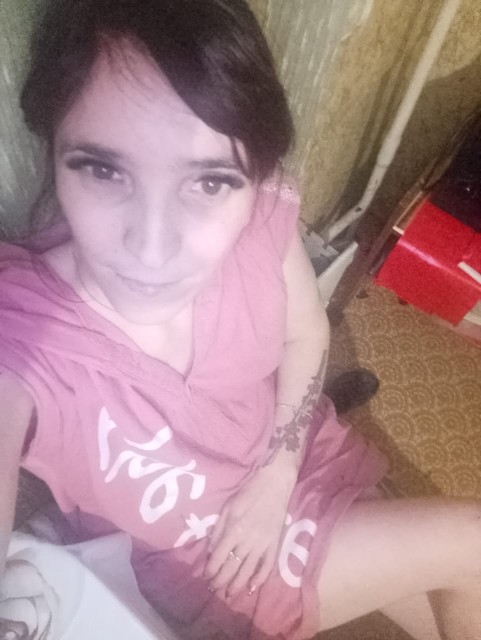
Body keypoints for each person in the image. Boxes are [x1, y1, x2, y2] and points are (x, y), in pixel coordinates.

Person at [1, 1, 481, 639]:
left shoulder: (259, 214)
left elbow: (305, 331)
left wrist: (276, 477)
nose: (152, 249)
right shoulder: (25, 330)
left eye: (209, 182)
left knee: (445, 589)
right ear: (54, 150)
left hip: (296, 459)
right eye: (104, 169)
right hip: (216, 564)